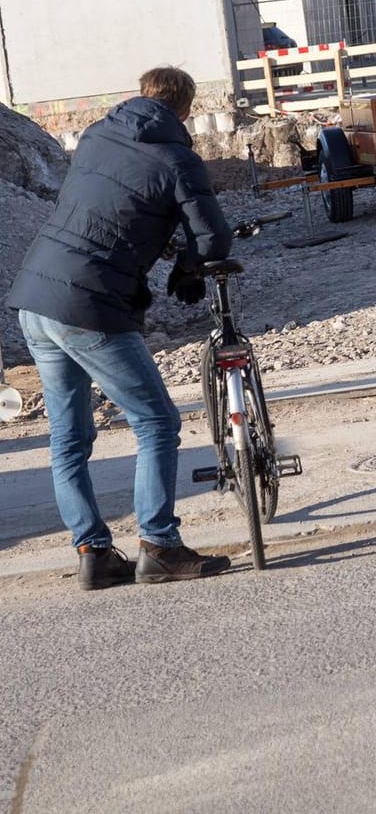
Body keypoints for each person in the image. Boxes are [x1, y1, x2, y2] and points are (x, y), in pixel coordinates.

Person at [6, 67, 235, 590]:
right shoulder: (178, 159)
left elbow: (113, 203)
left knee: (69, 437)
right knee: (156, 422)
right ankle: (159, 545)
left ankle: (93, 553)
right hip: (91, 306)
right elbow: (214, 236)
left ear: (140, 96)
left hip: (36, 299)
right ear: (185, 110)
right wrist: (190, 270)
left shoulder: (95, 136)